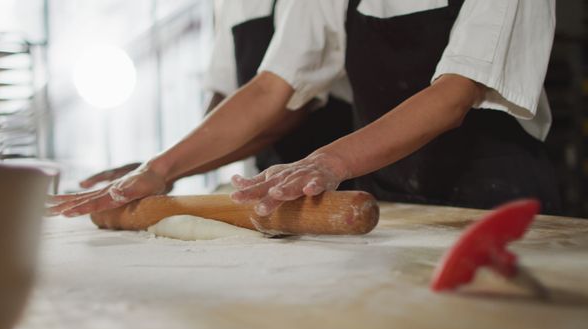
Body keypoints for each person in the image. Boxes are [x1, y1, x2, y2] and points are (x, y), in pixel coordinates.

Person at [49, 0, 561, 218]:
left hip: (494, 201)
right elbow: (273, 87)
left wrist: (331, 162)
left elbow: (456, 93)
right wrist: (157, 170)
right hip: (387, 205)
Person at [48, 0, 353, 216]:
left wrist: (166, 169)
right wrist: (158, 166)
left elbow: (281, 106)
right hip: (267, 187)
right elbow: (224, 95)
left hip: (332, 184)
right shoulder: (231, 5)